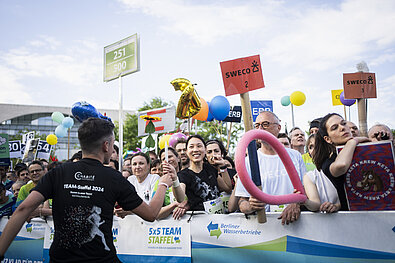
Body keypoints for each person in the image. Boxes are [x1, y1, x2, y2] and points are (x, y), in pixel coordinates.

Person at [0, 117, 172, 262]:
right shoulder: (114, 178)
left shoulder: (59, 172)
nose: (113, 149)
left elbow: (23, 209)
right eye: (112, 144)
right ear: (106, 146)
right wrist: (163, 183)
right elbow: (151, 214)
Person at [235, 111, 306, 225]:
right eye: (257, 125)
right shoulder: (249, 161)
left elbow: (305, 190)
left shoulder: (294, 156)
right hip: (266, 227)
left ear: (278, 127)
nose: (260, 129)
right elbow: (242, 201)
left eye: (265, 124)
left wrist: (296, 203)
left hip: (294, 223)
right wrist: (251, 206)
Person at [313, 113, 369, 211]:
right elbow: (341, 165)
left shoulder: (368, 148)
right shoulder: (329, 162)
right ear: (328, 139)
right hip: (354, 217)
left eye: (343, 123)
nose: (342, 128)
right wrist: (352, 142)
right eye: (334, 128)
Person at [177, 135, 232, 212]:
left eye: (199, 146)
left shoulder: (211, 169)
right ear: (187, 151)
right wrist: (174, 180)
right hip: (198, 220)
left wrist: (223, 166)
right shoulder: (183, 175)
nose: (195, 150)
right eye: (191, 147)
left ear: (205, 150)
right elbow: (180, 198)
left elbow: (228, 188)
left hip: (218, 219)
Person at [301, 134, 340, 213]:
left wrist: (337, 206)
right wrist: (304, 201)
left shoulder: (339, 168)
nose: (315, 149)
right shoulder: (310, 176)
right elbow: (315, 204)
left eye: (318, 144)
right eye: (311, 147)